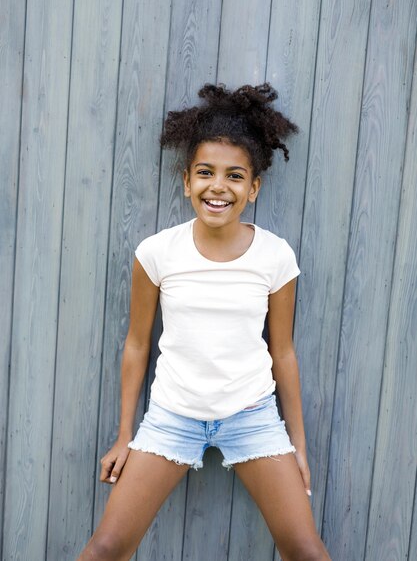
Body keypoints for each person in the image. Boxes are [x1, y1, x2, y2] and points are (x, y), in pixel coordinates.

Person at [78, 83, 331, 560]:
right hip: (173, 417)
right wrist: (124, 435)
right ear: (186, 181)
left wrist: (297, 448)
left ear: (253, 188)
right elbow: (137, 345)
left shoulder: (275, 256)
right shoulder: (157, 253)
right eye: (205, 173)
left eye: (235, 176)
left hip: (252, 416)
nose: (219, 186)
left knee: (304, 548)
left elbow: (283, 352)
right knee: (107, 546)